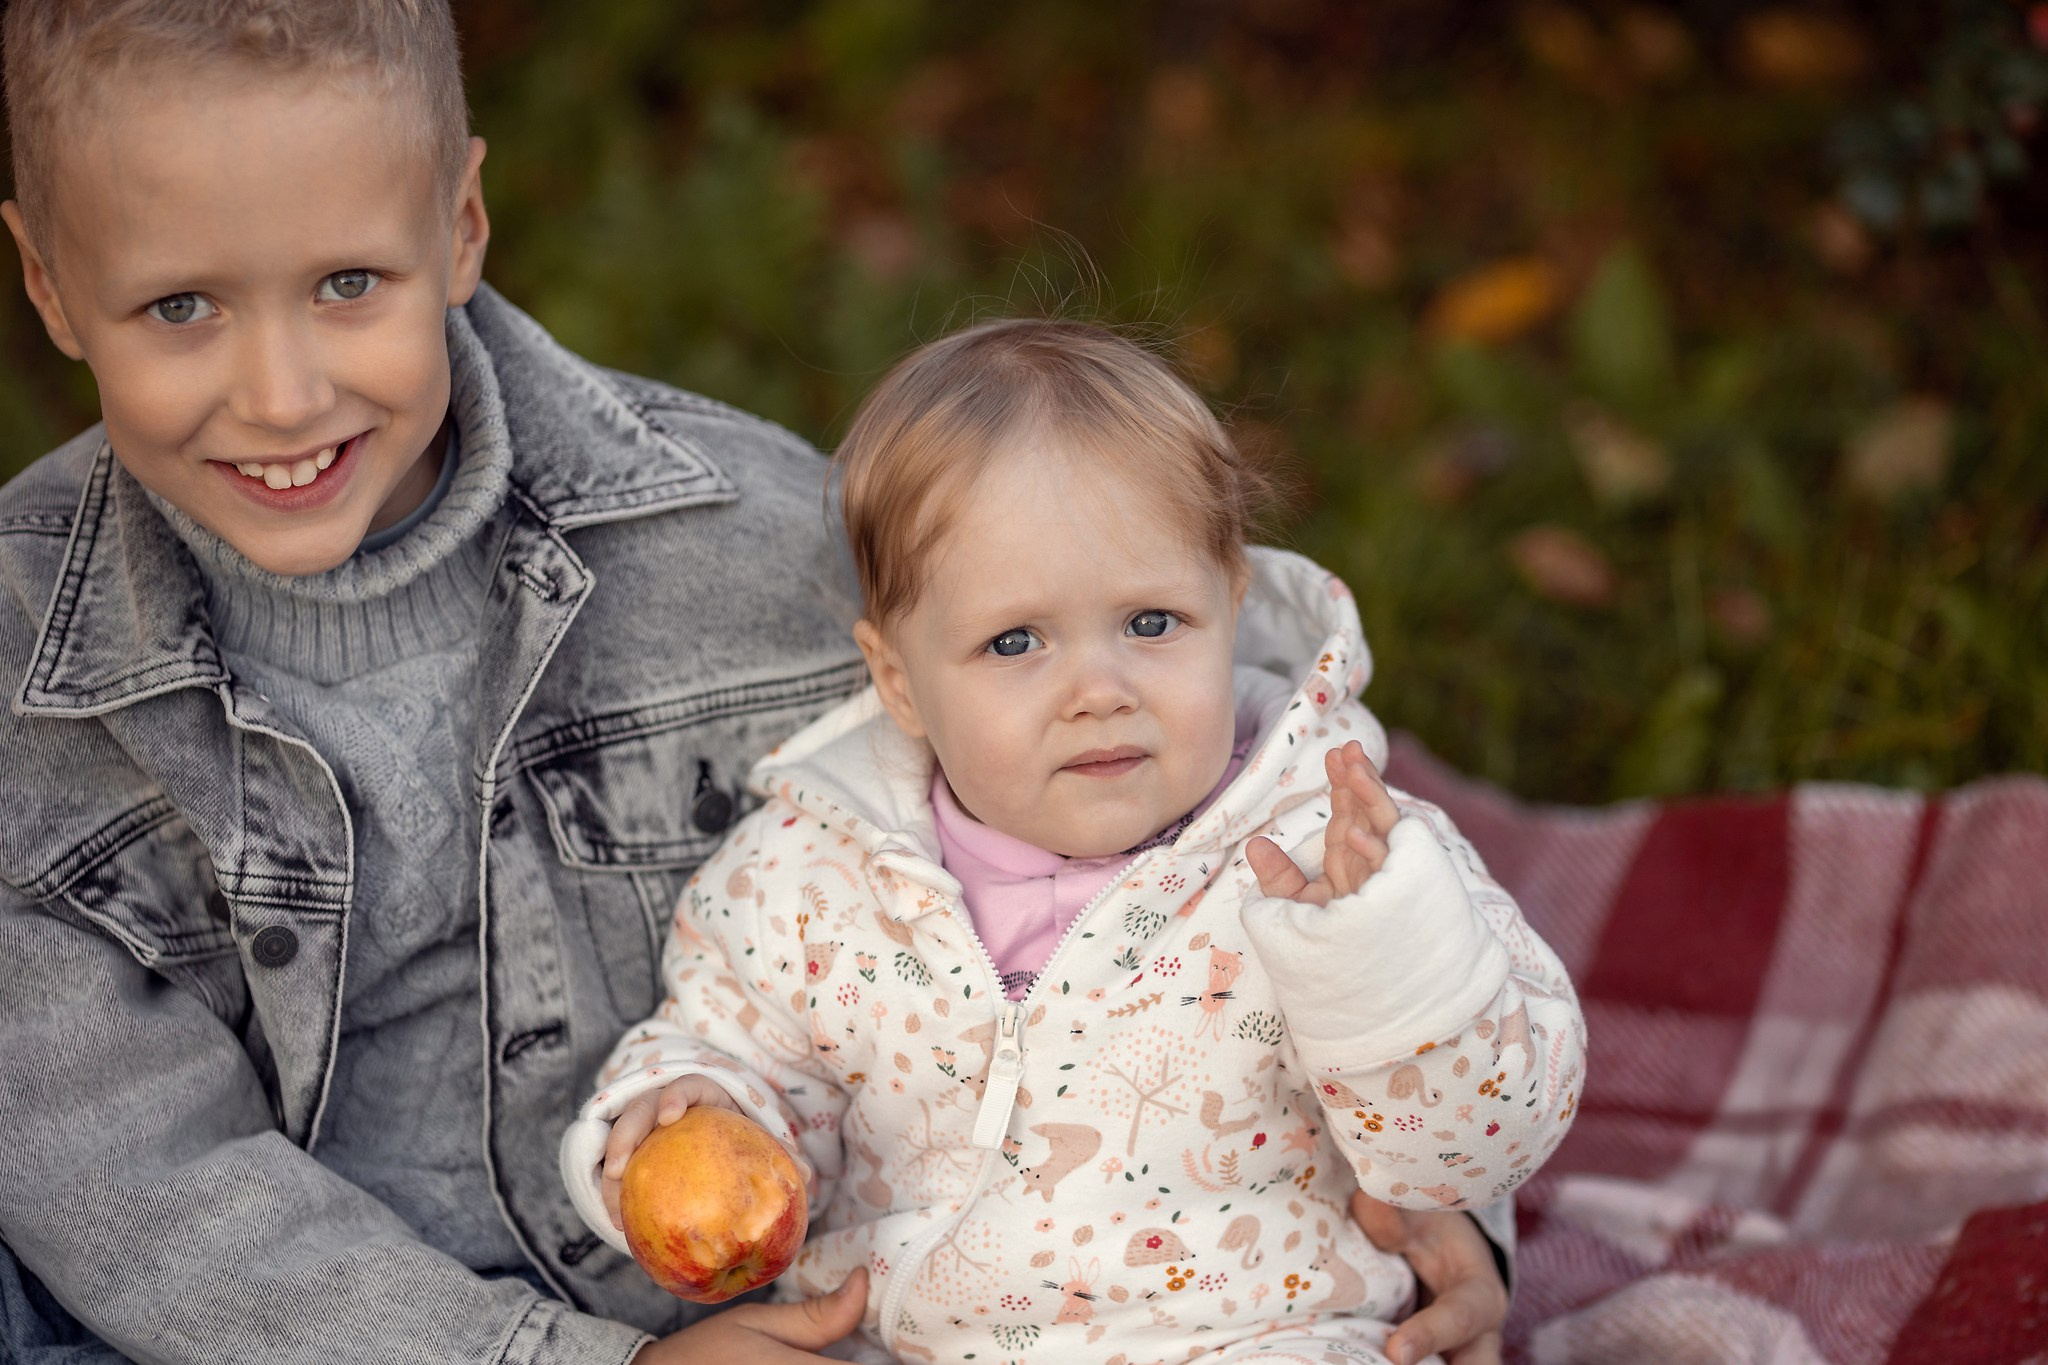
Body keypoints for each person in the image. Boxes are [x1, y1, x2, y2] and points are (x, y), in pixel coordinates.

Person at [0, 3, 1515, 1363]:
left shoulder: (729, 546)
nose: (281, 392)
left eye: (347, 282)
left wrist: (1432, 1199)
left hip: (801, 1316)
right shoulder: (24, 687)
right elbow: (136, 1190)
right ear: (52, 287)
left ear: (461, 224)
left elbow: (1227, 768)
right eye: (181, 309)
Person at [561, 320, 1586, 1364]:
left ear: (1229, 602)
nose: (1099, 690)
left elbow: (1475, 1149)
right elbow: (739, 1056)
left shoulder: (1336, 852)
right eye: (1014, 642)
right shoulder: (806, 879)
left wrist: (1382, 958)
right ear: (899, 682)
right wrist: (692, 1105)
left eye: (1149, 622)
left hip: (1254, 1336)